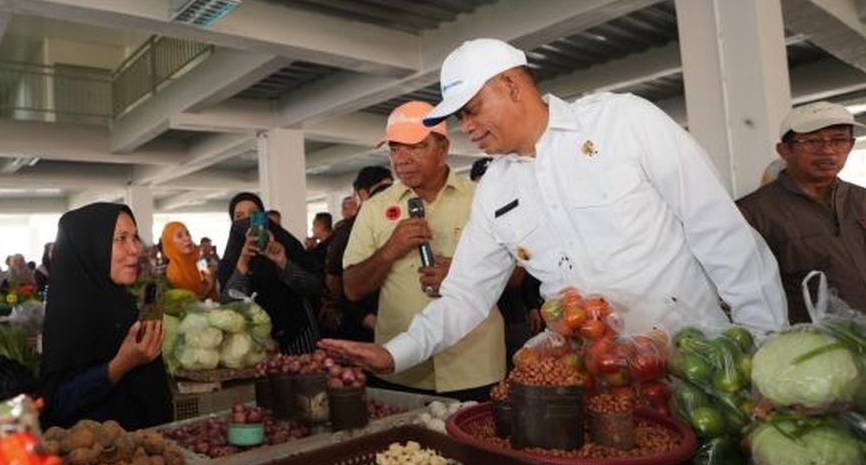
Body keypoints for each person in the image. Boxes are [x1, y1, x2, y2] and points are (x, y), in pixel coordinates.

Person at [321, 38, 787, 376]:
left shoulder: (622, 123)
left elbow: (718, 229)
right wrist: (395, 353)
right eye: (461, 117)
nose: (469, 128)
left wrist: (766, 349)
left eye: (472, 109)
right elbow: (464, 295)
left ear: (510, 85)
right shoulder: (497, 191)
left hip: (693, 363)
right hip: (590, 376)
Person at [341, 101, 506, 398]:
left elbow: (517, 274)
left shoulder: (481, 198)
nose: (401, 159)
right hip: (401, 367)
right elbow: (352, 288)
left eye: (415, 147)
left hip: (474, 364)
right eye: (394, 149)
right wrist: (390, 250)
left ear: (443, 148)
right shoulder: (374, 209)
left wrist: (463, 275)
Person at [739, 101, 866, 355]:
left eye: (839, 140)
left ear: (851, 146)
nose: (828, 151)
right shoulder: (754, 211)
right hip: (820, 351)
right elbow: (741, 286)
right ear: (784, 150)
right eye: (812, 141)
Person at [40, 203, 171, 430]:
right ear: (90, 246)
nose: (135, 249)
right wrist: (119, 365)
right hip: (102, 455)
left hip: (146, 447)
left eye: (135, 237)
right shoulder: (69, 314)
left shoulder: (118, 299)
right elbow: (57, 404)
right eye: (121, 238)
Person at [218, 192, 322, 355]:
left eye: (253, 214)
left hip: (297, 336)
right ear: (233, 223)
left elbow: (312, 287)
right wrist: (243, 261)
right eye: (239, 216)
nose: (247, 220)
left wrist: (282, 262)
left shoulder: (288, 245)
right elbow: (228, 304)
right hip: (253, 345)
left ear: (263, 218)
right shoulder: (230, 260)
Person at [471, 156, 543, 364]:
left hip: (512, 312)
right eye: (481, 182)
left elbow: (522, 274)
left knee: (524, 366)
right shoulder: (475, 218)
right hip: (480, 318)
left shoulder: (518, 212)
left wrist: (531, 305)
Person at [323, 166, 393, 342]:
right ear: (363, 194)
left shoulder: (399, 222)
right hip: (363, 324)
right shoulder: (347, 230)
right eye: (381, 191)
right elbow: (334, 280)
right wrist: (360, 314)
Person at [161, 221, 215, 299]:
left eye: (187, 234)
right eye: (180, 236)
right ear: (170, 243)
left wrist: (210, 279)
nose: (187, 238)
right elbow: (185, 301)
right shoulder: (173, 271)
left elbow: (209, 281)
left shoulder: (199, 260)